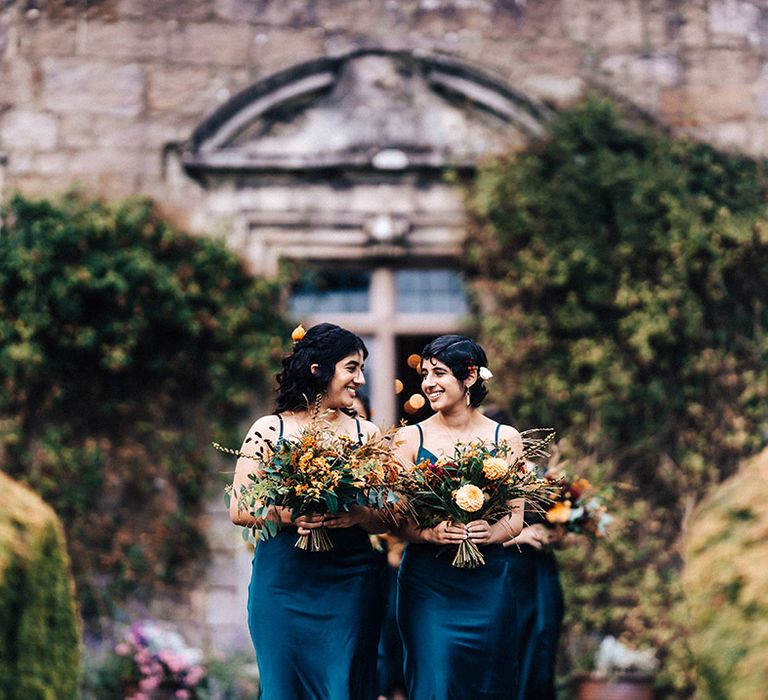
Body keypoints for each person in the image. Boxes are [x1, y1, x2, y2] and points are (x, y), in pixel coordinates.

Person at [229, 323, 387, 700]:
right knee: (284, 689)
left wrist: (358, 516)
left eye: (362, 369)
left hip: (349, 581)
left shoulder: (368, 435)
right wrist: (291, 515)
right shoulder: (270, 429)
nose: (361, 379)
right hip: (284, 581)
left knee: (342, 686)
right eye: (352, 367)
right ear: (318, 369)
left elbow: (390, 514)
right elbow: (240, 507)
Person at [393, 335, 525, 700]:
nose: (428, 383)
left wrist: (490, 531)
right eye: (425, 374)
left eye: (438, 373)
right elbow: (397, 519)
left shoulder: (505, 438)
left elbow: (515, 519)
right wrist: (430, 533)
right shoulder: (408, 439)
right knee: (436, 682)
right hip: (428, 584)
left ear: (469, 377)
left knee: (489, 684)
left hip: (487, 583)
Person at [483, 407, 566, 700]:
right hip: (505, 570)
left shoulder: (538, 474)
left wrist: (555, 533)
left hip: (540, 572)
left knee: (542, 645)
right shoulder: (485, 478)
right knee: (510, 648)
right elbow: (476, 532)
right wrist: (519, 534)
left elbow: (559, 525)